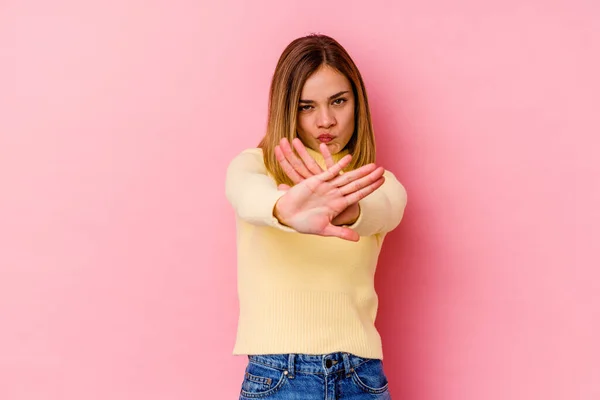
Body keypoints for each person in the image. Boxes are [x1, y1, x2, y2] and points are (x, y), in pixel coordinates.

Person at [225, 33, 408, 399]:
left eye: (338, 101)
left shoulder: (378, 183)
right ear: (286, 109)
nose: (325, 120)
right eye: (306, 106)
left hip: (361, 378)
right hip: (278, 377)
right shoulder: (254, 168)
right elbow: (249, 198)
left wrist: (344, 209)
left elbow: (381, 209)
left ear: (357, 102)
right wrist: (283, 208)